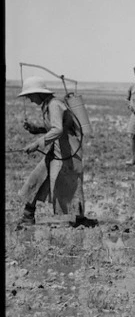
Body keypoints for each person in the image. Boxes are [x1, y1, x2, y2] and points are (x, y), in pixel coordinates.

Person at [15, 76, 97, 230]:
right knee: (37, 178)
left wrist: (37, 143)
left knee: (72, 185)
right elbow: (54, 128)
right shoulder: (47, 105)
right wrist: (36, 129)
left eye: (30, 96)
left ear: (39, 93)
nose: (30, 100)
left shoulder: (54, 105)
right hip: (57, 150)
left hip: (69, 152)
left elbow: (58, 129)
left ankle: (79, 219)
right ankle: (28, 216)